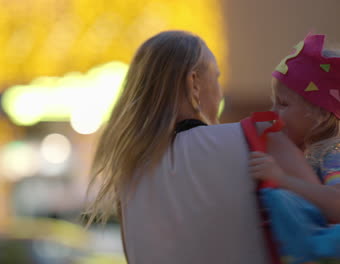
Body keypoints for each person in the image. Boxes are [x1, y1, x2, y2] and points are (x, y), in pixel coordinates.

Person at [85, 30, 276, 263]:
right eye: (216, 78)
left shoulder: (128, 176)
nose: (220, 92)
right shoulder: (251, 138)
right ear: (193, 83)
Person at [249, 34, 340, 223]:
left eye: (283, 104)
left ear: (321, 114)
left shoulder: (333, 152)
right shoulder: (300, 150)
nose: (273, 113)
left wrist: (281, 178)